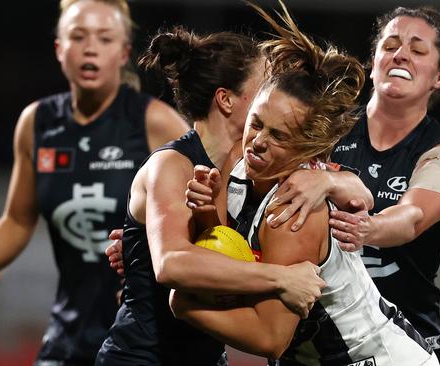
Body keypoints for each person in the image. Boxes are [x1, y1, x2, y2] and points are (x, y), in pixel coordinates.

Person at [171, 2, 439, 365]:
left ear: (306, 149)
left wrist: (184, 305)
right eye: (256, 122)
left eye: (278, 135)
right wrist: (203, 217)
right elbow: (233, 253)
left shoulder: (294, 211)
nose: (258, 141)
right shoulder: (239, 161)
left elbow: (271, 338)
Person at [0, 0, 192, 364]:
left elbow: (202, 213)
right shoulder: (37, 123)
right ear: (59, 49)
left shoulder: (156, 124)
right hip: (69, 335)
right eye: (78, 36)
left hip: (142, 337)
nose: (90, 47)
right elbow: (18, 219)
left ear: (123, 54)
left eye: (104, 38)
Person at [95, 24, 340, 365]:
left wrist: (338, 183)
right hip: (144, 357)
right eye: (264, 83)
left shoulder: (240, 172)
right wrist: (281, 278)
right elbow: (171, 264)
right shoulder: (173, 165)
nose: (274, 93)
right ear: (226, 99)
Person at [263, 6, 440, 365]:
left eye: (417, 49)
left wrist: (368, 226)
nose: (401, 53)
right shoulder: (323, 133)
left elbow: (411, 217)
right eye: (390, 45)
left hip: (405, 349)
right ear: (372, 62)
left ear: (439, 78)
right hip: (312, 351)